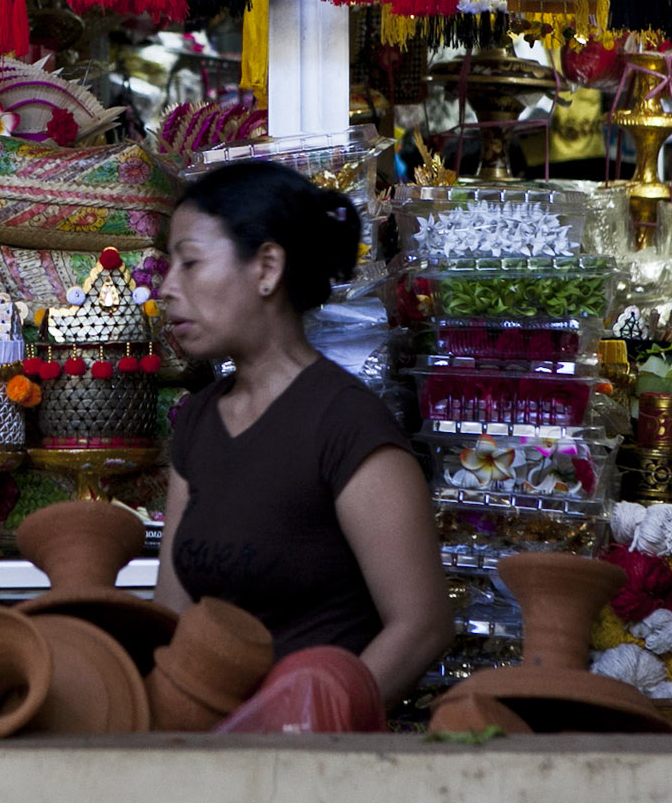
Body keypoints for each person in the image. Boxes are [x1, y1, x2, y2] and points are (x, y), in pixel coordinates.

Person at [154, 160, 453, 702]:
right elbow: (172, 616)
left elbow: (422, 627)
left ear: (267, 267)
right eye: (169, 265)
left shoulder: (347, 425)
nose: (167, 288)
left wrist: (314, 722)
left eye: (190, 263)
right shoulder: (198, 421)